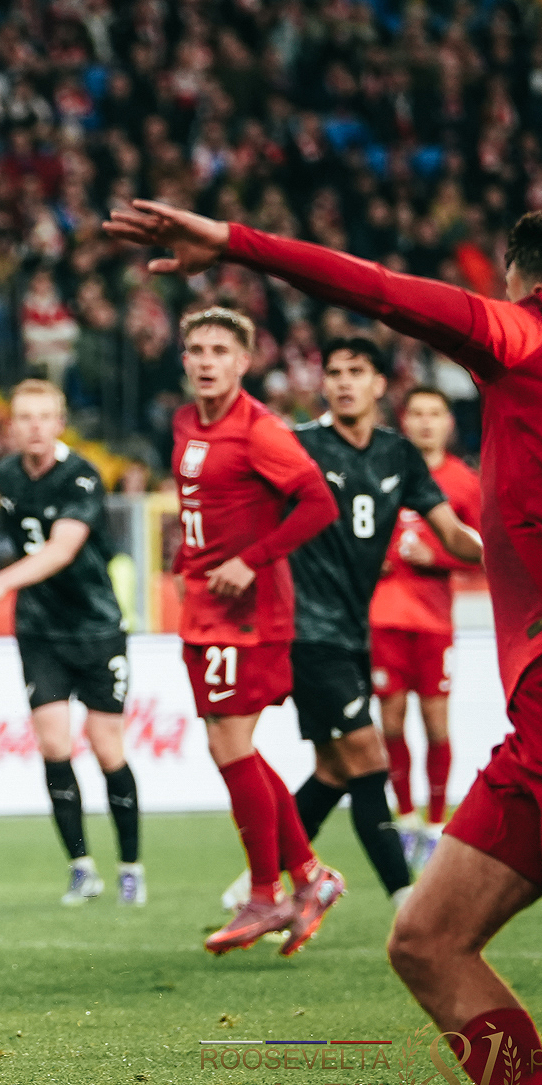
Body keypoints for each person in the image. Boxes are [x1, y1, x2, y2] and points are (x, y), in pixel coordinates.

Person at [107, 200, 542, 1085]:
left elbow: (383, 291)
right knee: (426, 940)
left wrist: (235, 243)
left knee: (325, 758)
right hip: (530, 718)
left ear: (522, 277)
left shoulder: (528, 334)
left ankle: (289, 877)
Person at [222, 339, 482, 914]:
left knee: (334, 771)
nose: (343, 382)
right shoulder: (298, 445)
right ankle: (410, 904)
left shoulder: (399, 455)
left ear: (379, 385)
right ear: (323, 384)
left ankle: (257, 884)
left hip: (352, 632)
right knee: (369, 761)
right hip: (305, 628)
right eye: (334, 372)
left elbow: (451, 533)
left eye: (356, 372)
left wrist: (506, 555)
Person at [165, 306, 344, 956]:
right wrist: (186, 561)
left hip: (251, 613)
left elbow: (319, 502)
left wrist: (253, 559)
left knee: (232, 744)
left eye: (220, 350)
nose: (207, 361)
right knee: (229, 746)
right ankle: (309, 877)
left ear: (244, 361)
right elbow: (203, 506)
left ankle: (267, 894)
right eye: (197, 349)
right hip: (203, 605)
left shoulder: (261, 430)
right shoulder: (185, 422)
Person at [0, 379, 142, 907]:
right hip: (40, 628)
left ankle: (130, 867)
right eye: (25, 417)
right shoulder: (6, 475)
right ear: (12, 426)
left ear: (60, 423)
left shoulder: (82, 477)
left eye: (44, 417)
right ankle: (81, 868)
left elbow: (61, 551)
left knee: (107, 748)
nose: (35, 427)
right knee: (53, 746)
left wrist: (1, 582)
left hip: (96, 626)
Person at [371, 387, 484, 868]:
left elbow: (484, 551)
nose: (424, 422)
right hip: (383, 618)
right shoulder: (382, 470)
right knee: (391, 722)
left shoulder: (464, 482)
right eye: (416, 413)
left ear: (448, 423)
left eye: (434, 413)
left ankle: (437, 825)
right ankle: (406, 819)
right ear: (404, 420)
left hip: (434, 621)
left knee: (436, 724)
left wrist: (435, 556)